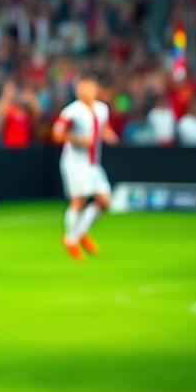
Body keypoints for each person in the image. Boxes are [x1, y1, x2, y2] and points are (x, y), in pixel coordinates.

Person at [52, 75, 119, 260]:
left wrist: (110, 136)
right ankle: (71, 240)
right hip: (74, 163)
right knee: (79, 202)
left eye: (89, 88)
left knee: (105, 202)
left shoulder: (101, 109)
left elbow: (103, 128)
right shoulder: (71, 112)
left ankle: (79, 233)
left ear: (95, 89)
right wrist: (79, 140)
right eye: (82, 88)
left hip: (93, 164)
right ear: (77, 90)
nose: (85, 91)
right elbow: (57, 134)